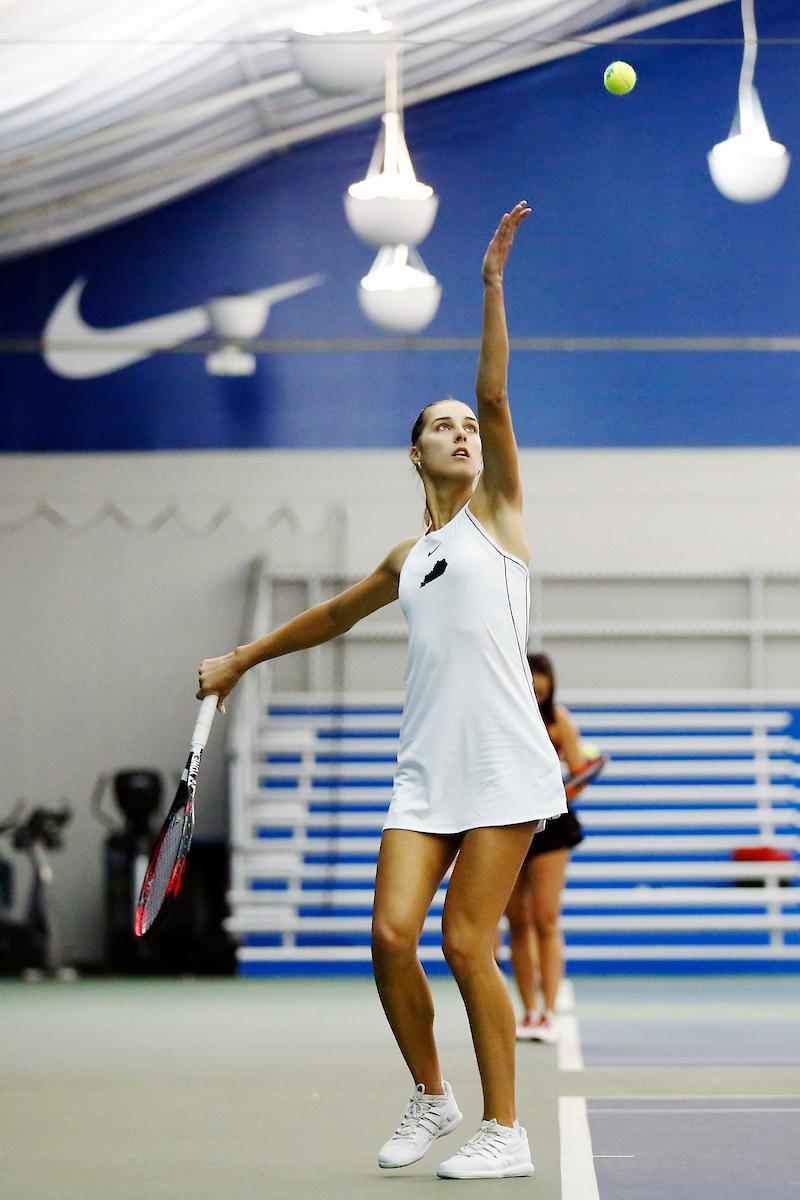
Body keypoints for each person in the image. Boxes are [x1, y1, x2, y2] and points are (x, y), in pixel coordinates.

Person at [197, 202, 567, 1181]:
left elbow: (494, 398)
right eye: (437, 427)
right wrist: (239, 661)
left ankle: (503, 1129)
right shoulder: (410, 556)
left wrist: (489, 288)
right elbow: (327, 618)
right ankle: (430, 1095)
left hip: (502, 768)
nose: (458, 432)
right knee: (388, 934)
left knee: (462, 940)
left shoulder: (497, 517)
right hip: (424, 770)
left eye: (464, 427)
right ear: (413, 453)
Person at [505, 651, 588, 1045]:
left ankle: (549, 1012)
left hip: (552, 826)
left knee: (545, 918)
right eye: (530, 675)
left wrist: (569, 777)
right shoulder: (506, 715)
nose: (537, 683)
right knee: (517, 922)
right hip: (508, 821)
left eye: (543, 677)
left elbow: (579, 772)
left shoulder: (560, 721)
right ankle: (529, 1012)